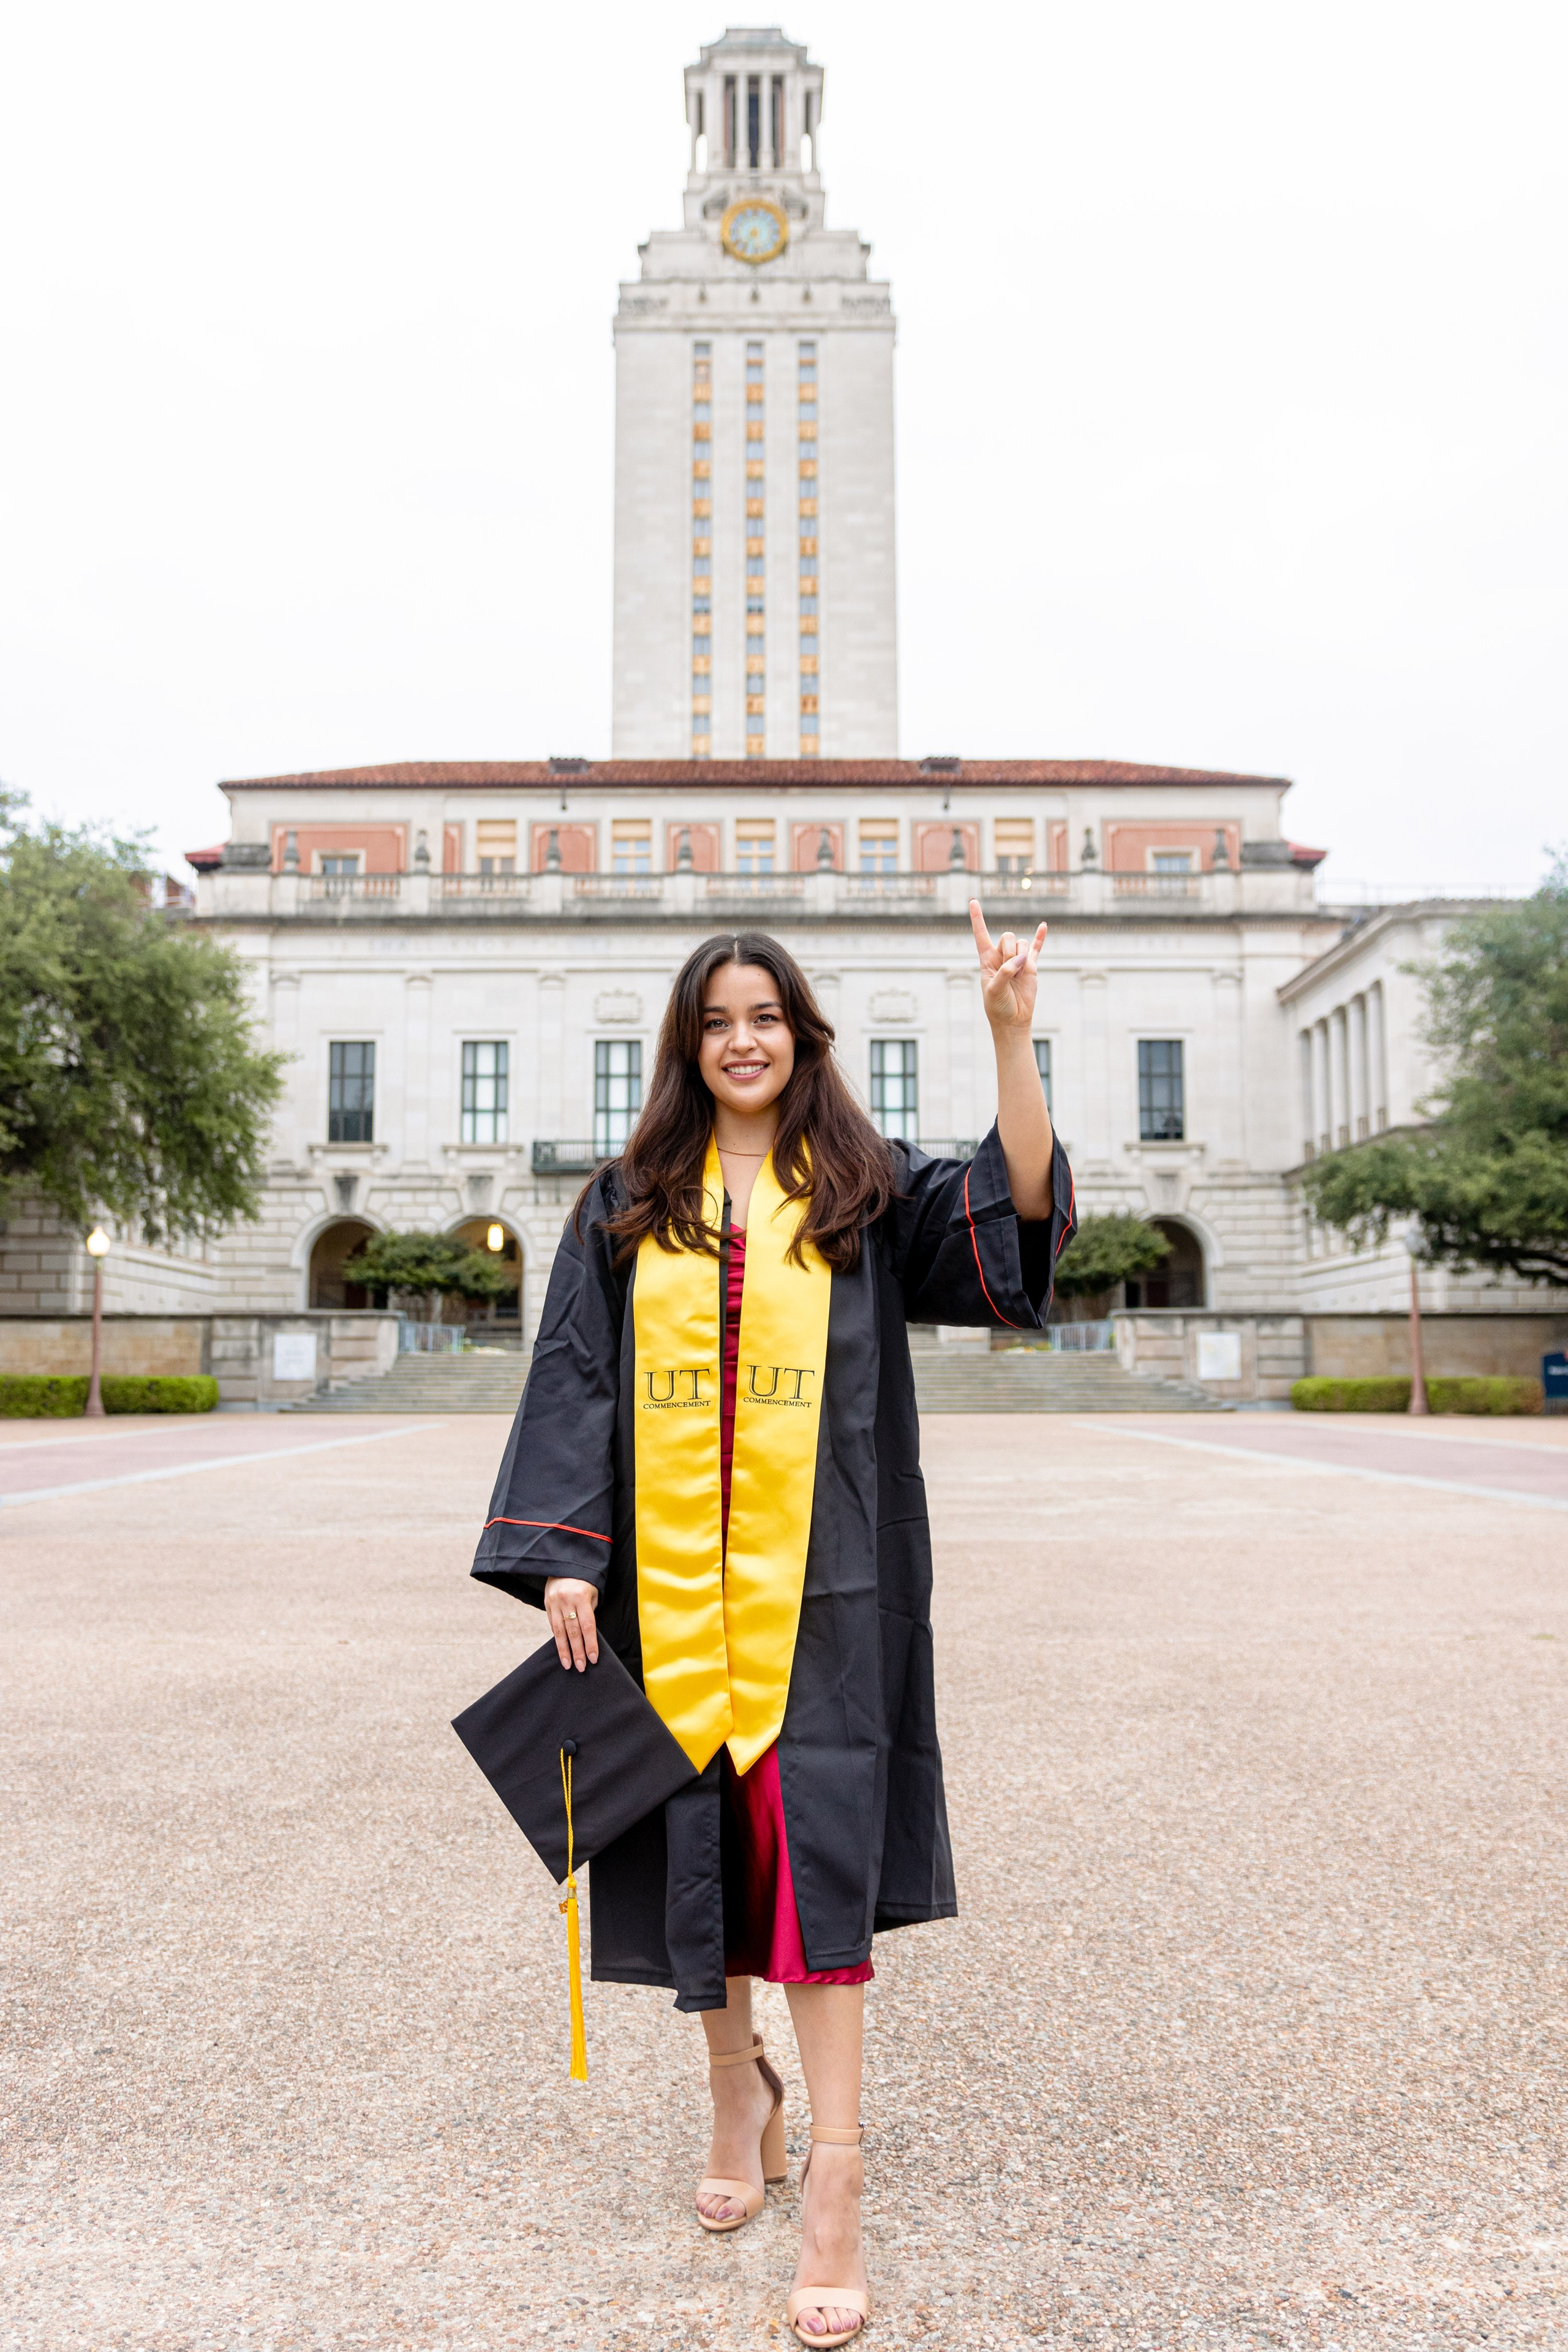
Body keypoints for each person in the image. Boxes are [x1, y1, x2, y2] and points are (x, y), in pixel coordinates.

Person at [472, 905, 1075, 2346]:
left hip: (826, 1600)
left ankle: (837, 2189)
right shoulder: (627, 1200)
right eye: (715, 1021)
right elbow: (573, 1377)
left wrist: (1006, 1031)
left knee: (807, 1875)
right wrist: (564, 1552)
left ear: (802, 1038)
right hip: (668, 1596)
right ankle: (733, 2088)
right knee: (702, 1863)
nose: (743, 1041)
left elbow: (1017, 1220)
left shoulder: (861, 1190)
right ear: (688, 1046)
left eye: (766, 1018)